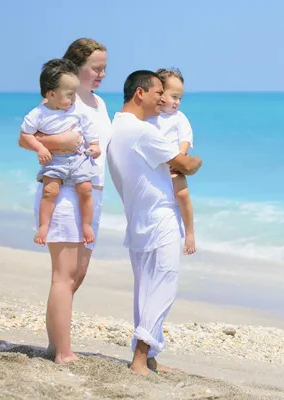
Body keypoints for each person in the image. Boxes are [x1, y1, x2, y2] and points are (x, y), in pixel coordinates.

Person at [18, 38, 111, 364]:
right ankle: (63, 352)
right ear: (76, 66)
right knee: (64, 274)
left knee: (77, 275)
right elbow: (29, 138)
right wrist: (61, 141)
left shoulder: (98, 104)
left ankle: (55, 345)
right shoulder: (62, 100)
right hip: (66, 194)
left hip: (92, 190)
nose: (101, 74)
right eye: (96, 68)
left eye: (104, 68)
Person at [107, 70, 202, 375]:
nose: (163, 99)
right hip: (159, 218)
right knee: (163, 286)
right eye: (158, 92)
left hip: (136, 217)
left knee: (145, 290)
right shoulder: (143, 132)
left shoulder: (117, 126)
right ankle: (140, 358)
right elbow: (185, 163)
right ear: (140, 94)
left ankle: (148, 358)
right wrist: (197, 160)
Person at [20, 58, 101, 246]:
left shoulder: (77, 110)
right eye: (70, 94)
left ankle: (86, 225)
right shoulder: (38, 114)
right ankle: (43, 226)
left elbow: (89, 130)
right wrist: (40, 148)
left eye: (74, 94)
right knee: (50, 191)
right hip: (55, 160)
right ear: (51, 94)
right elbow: (25, 135)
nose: (73, 99)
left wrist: (95, 145)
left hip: (79, 157)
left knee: (86, 189)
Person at [147, 68, 196, 255]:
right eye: (174, 96)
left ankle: (189, 232)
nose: (177, 102)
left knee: (182, 195)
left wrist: (179, 156)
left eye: (180, 98)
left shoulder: (179, 118)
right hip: (156, 166)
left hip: (175, 165)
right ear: (160, 94)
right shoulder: (152, 117)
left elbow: (186, 138)